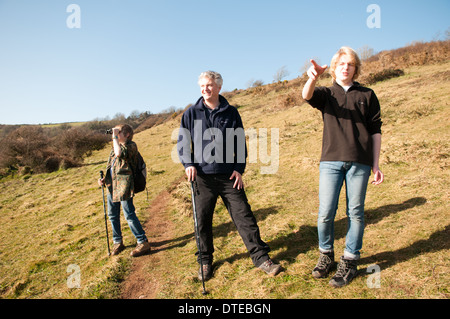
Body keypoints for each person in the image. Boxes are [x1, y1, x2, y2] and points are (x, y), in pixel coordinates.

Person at [177, 71, 281, 280]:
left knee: (245, 217)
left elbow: (239, 144)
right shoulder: (190, 113)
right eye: (202, 86)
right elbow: (182, 143)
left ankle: (261, 258)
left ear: (218, 87)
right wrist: (188, 163)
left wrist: (238, 169)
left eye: (209, 85)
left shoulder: (231, 112)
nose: (205, 89)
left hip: (228, 177)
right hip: (202, 179)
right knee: (202, 222)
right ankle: (205, 261)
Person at [302, 47, 384, 288]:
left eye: (350, 64)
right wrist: (312, 78)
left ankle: (350, 260)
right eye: (341, 64)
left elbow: (376, 131)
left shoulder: (368, 94)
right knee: (326, 211)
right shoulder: (327, 94)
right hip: (330, 161)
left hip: (360, 161)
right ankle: (326, 255)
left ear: (355, 68)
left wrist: (376, 164)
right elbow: (307, 96)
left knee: (356, 212)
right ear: (334, 68)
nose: (346, 67)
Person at [98, 124, 151, 257]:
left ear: (127, 134)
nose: (115, 134)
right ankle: (118, 242)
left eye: (119, 132)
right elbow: (112, 166)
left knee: (129, 214)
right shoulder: (114, 147)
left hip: (125, 185)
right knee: (112, 215)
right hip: (112, 186)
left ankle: (142, 241)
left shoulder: (131, 146)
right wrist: (105, 179)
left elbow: (119, 154)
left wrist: (114, 137)